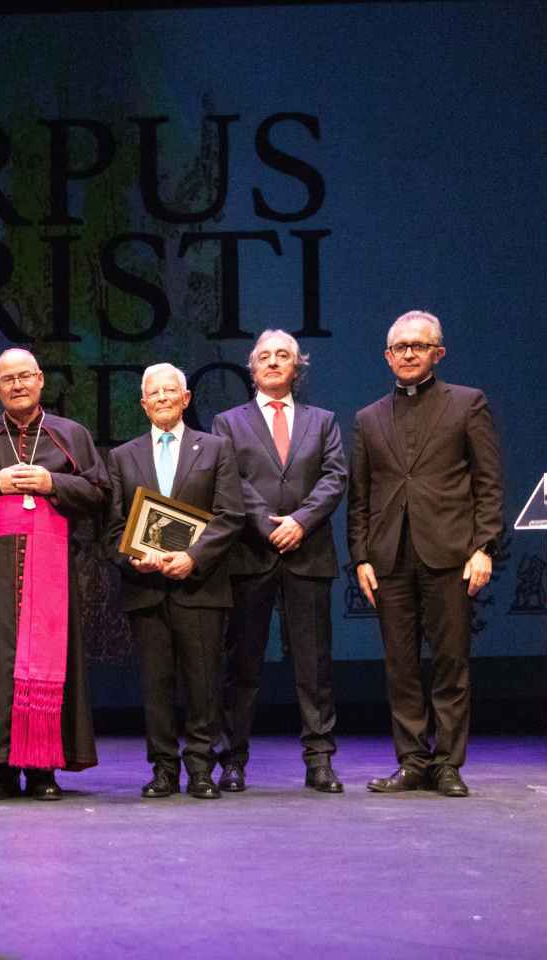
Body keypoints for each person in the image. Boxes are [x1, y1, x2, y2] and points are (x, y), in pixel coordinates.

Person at [0, 348, 108, 800]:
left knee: (51, 663)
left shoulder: (71, 434)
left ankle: (44, 768)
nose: (16, 385)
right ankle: (0, 769)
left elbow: (99, 490)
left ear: (40, 381)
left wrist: (53, 483)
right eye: (7, 379)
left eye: (24, 376)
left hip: (51, 561)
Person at [348, 310, 503, 798]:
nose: (408, 354)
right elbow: (360, 495)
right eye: (400, 347)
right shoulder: (368, 417)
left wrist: (483, 547)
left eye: (419, 345)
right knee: (400, 665)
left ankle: (448, 763)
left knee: (451, 661)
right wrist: (361, 557)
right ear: (387, 356)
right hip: (390, 557)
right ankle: (413, 760)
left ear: (439, 351)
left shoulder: (467, 404)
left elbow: (488, 482)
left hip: (451, 553)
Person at [211, 330, 347, 794]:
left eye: (283, 355)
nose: (273, 362)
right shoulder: (227, 423)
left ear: (297, 366)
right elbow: (229, 482)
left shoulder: (323, 421)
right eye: (264, 356)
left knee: (314, 666)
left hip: (307, 554)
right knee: (242, 665)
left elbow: (334, 477)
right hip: (250, 555)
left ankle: (320, 761)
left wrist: (300, 522)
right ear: (252, 367)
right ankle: (232, 760)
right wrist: (269, 527)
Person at [106, 363, 244, 800]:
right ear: (144, 404)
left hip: (199, 587)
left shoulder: (217, 448)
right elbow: (112, 530)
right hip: (146, 590)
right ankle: (163, 769)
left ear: (186, 399)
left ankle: (201, 767)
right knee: (156, 686)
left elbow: (230, 516)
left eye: (172, 391)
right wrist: (135, 558)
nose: (164, 397)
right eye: (155, 393)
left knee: (204, 684)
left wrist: (192, 558)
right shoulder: (122, 457)